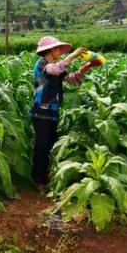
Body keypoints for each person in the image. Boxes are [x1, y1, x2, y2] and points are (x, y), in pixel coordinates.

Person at [30, 36, 86, 188]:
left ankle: (46, 176)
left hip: (52, 112)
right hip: (40, 112)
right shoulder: (42, 64)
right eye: (58, 49)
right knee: (42, 146)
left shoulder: (54, 66)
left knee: (51, 145)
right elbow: (55, 70)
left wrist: (85, 69)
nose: (60, 52)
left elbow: (72, 80)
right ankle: (38, 179)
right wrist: (73, 55)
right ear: (50, 50)